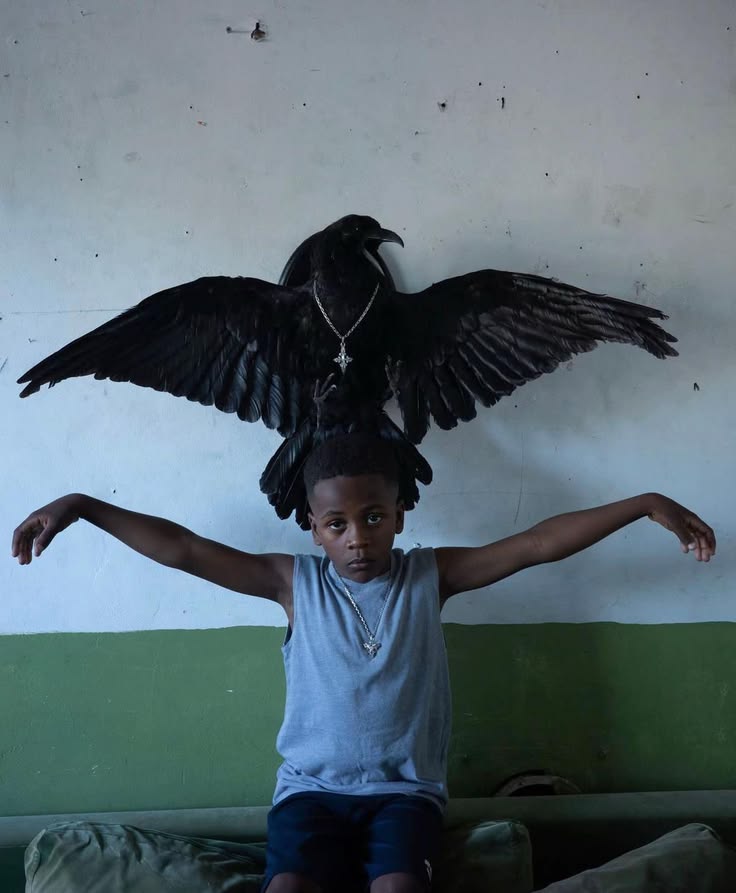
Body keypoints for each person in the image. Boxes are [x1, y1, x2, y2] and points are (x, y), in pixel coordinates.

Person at [11, 433, 716, 893]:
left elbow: (536, 543)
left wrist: (643, 504)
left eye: (374, 517)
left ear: (400, 514)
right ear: (313, 529)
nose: (358, 538)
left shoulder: (431, 576)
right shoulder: (292, 582)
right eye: (337, 524)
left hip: (403, 797)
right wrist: (83, 506)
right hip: (309, 795)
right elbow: (185, 549)